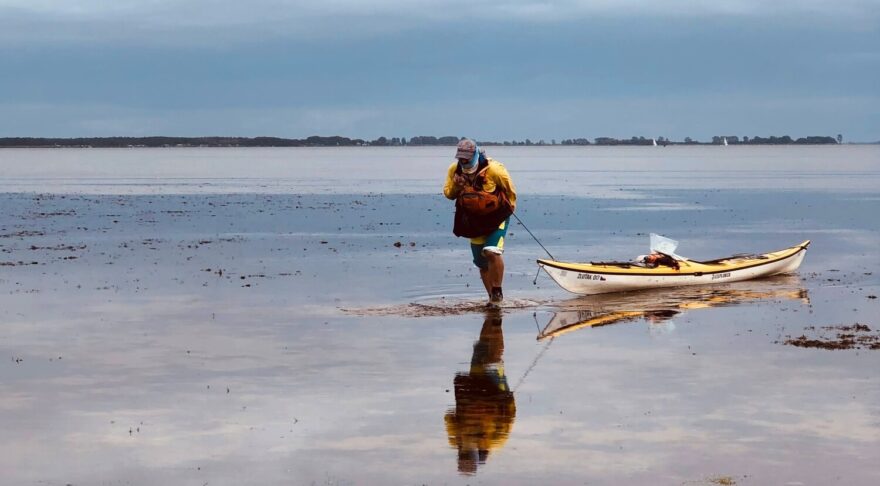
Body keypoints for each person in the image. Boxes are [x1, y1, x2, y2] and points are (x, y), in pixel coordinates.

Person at [443, 139, 517, 308]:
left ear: (475, 154)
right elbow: (449, 194)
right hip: (473, 221)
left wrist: (510, 209)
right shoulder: (454, 170)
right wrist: (456, 185)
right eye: (460, 158)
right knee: (482, 263)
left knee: (491, 251)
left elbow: (510, 192)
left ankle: (497, 290)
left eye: (467, 158)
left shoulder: (495, 170)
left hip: (497, 217)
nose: (463, 161)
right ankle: (493, 300)